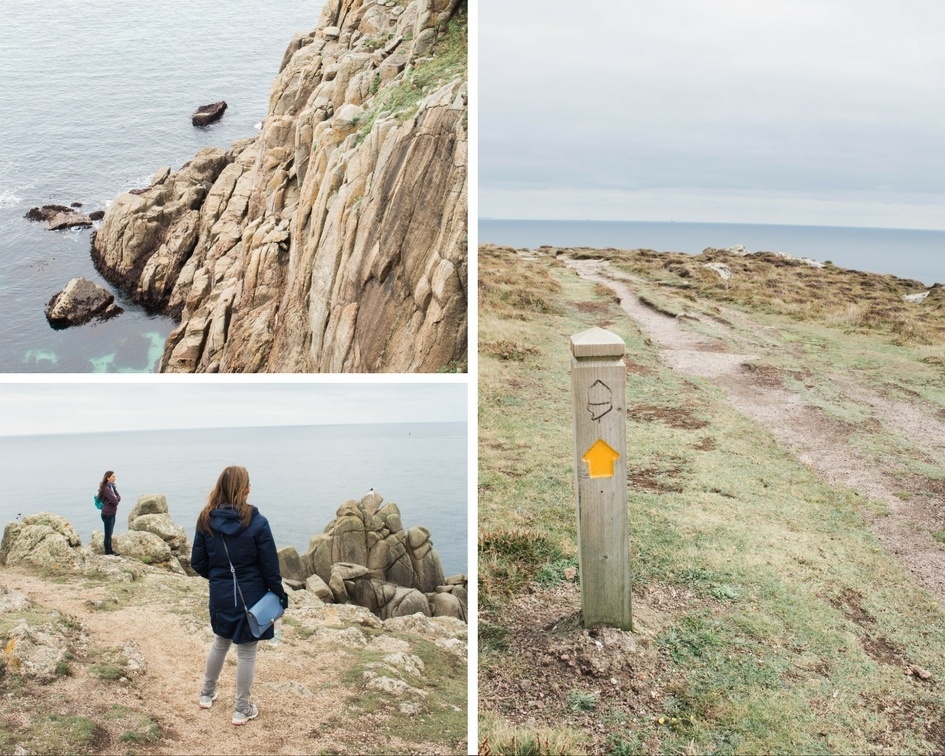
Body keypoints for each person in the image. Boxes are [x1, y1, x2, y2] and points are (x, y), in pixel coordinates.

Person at [190, 465, 288, 726]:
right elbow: (270, 566)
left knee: (220, 641)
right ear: (245, 490)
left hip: (221, 595)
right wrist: (279, 595)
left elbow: (197, 562)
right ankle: (241, 709)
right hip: (252, 595)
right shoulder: (257, 522)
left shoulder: (205, 519)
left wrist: (220, 578)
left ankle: (206, 694)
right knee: (246, 651)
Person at [97, 471, 120, 555]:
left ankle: (110, 550)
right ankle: (108, 553)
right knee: (108, 534)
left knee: (110, 533)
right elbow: (115, 502)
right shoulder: (106, 489)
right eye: (113, 477)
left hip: (112, 513)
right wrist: (114, 499)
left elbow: (118, 497)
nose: (115, 478)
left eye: (114, 476)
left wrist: (115, 499)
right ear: (108, 478)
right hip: (107, 514)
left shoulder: (112, 487)